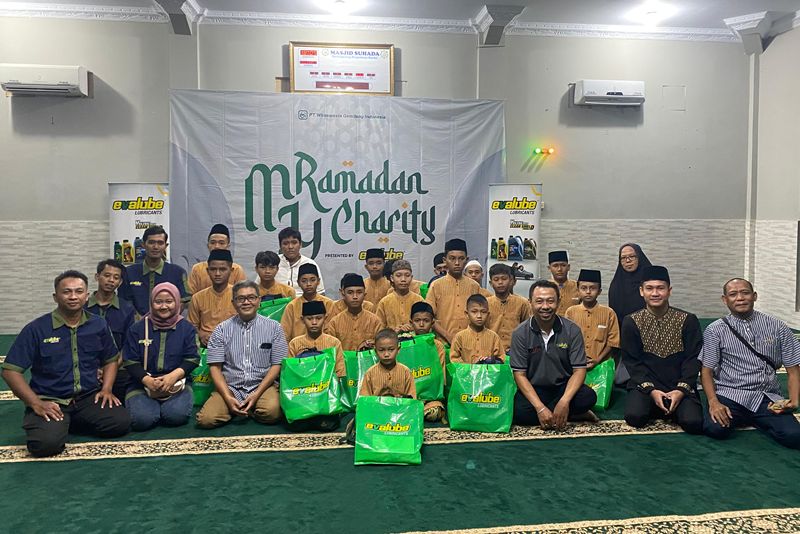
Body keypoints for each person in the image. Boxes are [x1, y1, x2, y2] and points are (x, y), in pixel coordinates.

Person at [1, 271, 130, 457]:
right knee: (45, 445)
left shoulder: (98, 325)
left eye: (79, 291)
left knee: (120, 423)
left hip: (87, 397)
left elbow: (110, 359)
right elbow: (10, 371)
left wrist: (107, 389)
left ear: (87, 296)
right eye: (67, 292)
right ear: (55, 297)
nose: (73, 296)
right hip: (51, 400)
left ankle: (66, 422)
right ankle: (52, 422)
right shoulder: (36, 328)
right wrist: (36, 403)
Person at [700, 278, 800, 449]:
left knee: (794, 436)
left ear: (754, 296)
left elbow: (793, 369)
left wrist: (794, 401)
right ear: (725, 300)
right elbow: (706, 371)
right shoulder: (715, 330)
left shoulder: (777, 326)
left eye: (745, 293)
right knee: (715, 429)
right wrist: (713, 402)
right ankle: (750, 418)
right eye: (733, 294)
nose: (740, 298)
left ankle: (756, 418)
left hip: (766, 397)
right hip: (731, 394)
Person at [621, 266, 703, 434]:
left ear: (669, 291)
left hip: (678, 382)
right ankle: (658, 403)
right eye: (649, 288)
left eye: (660, 288)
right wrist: (651, 391)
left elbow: (693, 358)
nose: (655, 293)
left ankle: (668, 404)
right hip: (646, 384)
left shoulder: (687, 320)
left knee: (693, 423)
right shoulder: (631, 321)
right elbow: (632, 361)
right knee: (635, 417)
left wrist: (681, 390)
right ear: (641, 291)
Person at [196, 281, 288, 428]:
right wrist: (227, 397)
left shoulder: (274, 328)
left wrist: (256, 394)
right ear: (233, 303)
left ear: (258, 300)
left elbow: (277, 365)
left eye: (251, 297)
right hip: (231, 387)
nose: (246, 302)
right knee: (206, 420)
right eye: (241, 299)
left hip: (262, 386)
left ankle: (244, 407)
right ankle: (239, 407)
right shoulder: (221, 330)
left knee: (272, 413)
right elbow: (215, 368)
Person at [510, 280, 598, 430]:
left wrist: (564, 402)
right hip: (535, 388)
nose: (545, 306)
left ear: (558, 302)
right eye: (539, 301)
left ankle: (561, 411)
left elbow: (579, 370)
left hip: (563, 387)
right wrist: (540, 408)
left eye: (550, 301)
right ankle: (568, 414)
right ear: (530, 302)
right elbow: (520, 375)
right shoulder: (520, 333)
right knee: (518, 412)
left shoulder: (572, 330)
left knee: (588, 397)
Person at [122, 283, 199, 431]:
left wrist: (172, 377)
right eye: (158, 302)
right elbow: (130, 361)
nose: (164, 306)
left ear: (177, 302)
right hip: (141, 384)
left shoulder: (187, 328)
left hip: (177, 383)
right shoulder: (137, 328)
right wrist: (147, 380)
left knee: (175, 416)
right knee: (143, 420)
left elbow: (192, 358)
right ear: (151, 303)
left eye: (169, 301)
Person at [85, 259, 136, 401]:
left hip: (119, 369)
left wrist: (108, 370)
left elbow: (127, 346)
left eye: (116, 277)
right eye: (107, 275)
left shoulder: (127, 309)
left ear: (120, 282)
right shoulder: (82, 306)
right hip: (86, 369)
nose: (111, 280)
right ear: (97, 277)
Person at [119, 225, 191, 315]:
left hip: (168, 322)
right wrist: (139, 320)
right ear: (143, 245)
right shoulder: (128, 272)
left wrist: (167, 317)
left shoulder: (178, 272)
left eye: (160, 243)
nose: (156, 247)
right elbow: (123, 302)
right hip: (135, 323)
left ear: (165, 246)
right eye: (151, 242)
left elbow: (184, 300)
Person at [425, 239, 480, 344]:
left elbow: (478, 316)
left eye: (461, 259)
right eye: (452, 258)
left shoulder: (474, 286)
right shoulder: (436, 285)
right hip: (443, 343)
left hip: (469, 343)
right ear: (445, 260)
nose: (457, 263)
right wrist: (447, 335)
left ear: (466, 260)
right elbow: (428, 317)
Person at [564, 269, 620, 371]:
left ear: (599, 291)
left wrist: (598, 360)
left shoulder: (609, 313)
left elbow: (612, 343)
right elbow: (566, 339)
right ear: (578, 290)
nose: (588, 292)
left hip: (601, 367)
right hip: (574, 365)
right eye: (583, 288)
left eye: (593, 288)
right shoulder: (571, 312)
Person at [187, 250, 237, 347]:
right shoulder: (197, 297)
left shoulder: (239, 296)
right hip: (205, 347)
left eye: (222, 269)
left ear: (231, 271)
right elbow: (191, 326)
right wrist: (201, 334)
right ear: (207, 271)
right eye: (213, 269)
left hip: (233, 345)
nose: (217, 273)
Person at [324, 273, 382, 352]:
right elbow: (330, 350)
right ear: (343, 294)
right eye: (350, 292)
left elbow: (381, 346)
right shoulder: (334, 323)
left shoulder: (375, 321)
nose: (355, 297)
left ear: (364, 294)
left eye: (359, 292)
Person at [410, 301, 447, 422]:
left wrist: (426, 395)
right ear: (411, 322)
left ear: (432, 323)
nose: (421, 324)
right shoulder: (405, 344)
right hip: (409, 395)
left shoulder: (438, 346)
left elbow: (439, 376)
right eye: (417, 320)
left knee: (434, 413)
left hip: (430, 396)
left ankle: (414, 412)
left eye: (426, 321)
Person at [280, 264, 334, 341]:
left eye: (312, 280)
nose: (308, 284)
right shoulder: (292, 306)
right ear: (298, 283)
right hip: (298, 347)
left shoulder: (328, 304)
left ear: (318, 281)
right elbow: (285, 335)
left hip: (325, 347)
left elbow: (332, 332)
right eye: (304, 281)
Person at [187, 224, 247, 294]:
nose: (217, 246)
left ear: (228, 246)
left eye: (221, 243)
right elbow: (190, 295)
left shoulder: (237, 270)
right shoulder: (197, 269)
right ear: (208, 245)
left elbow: (243, 294)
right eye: (213, 243)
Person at [487, 263, 531, 355]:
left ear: (511, 281)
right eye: (496, 279)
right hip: (491, 351)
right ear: (491, 283)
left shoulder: (522, 303)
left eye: (504, 279)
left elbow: (528, 328)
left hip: (516, 351)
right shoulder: (485, 304)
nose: (500, 282)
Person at [359, 329, 417, 399]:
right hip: (377, 406)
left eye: (391, 349)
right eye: (381, 350)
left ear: (398, 350)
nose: (386, 354)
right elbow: (364, 400)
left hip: (401, 406)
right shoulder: (370, 374)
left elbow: (412, 399)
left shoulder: (405, 372)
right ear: (375, 351)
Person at [450, 294, 504, 363]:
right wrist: (472, 366)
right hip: (466, 370)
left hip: (488, 370)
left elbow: (501, 359)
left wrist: (489, 361)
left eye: (483, 312)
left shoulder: (494, 337)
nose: (479, 316)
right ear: (467, 314)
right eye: (474, 312)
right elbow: (454, 360)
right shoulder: (459, 337)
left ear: (488, 314)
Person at [608, 243, 652, 325]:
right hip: (623, 329)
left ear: (639, 257)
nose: (628, 261)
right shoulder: (616, 285)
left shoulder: (651, 282)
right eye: (623, 258)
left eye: (632, 256)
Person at [273, 227, 325, 296]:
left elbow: (320, 293)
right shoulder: (273, 263)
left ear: (300, 244)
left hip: (305, 301)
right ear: (280, 246)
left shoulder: (310, 264)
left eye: (294, 243)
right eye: (285, 243)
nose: (290, 247)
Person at [375, 260, 423, 331]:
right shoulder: (384, 302)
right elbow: (378, 329)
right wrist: (393, 331)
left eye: (407, 275)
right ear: (392, 278)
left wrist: (413, 328)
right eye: (398, 275)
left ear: (411, 277)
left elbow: (426, 325)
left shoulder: (419, 300)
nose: (403, 279)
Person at [547, 250, 580, 316]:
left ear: (568, 267)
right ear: (549, 268)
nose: (559, 269)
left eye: (563, 265)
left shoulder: (578, 287)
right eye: (555, 266)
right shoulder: (543, 288)